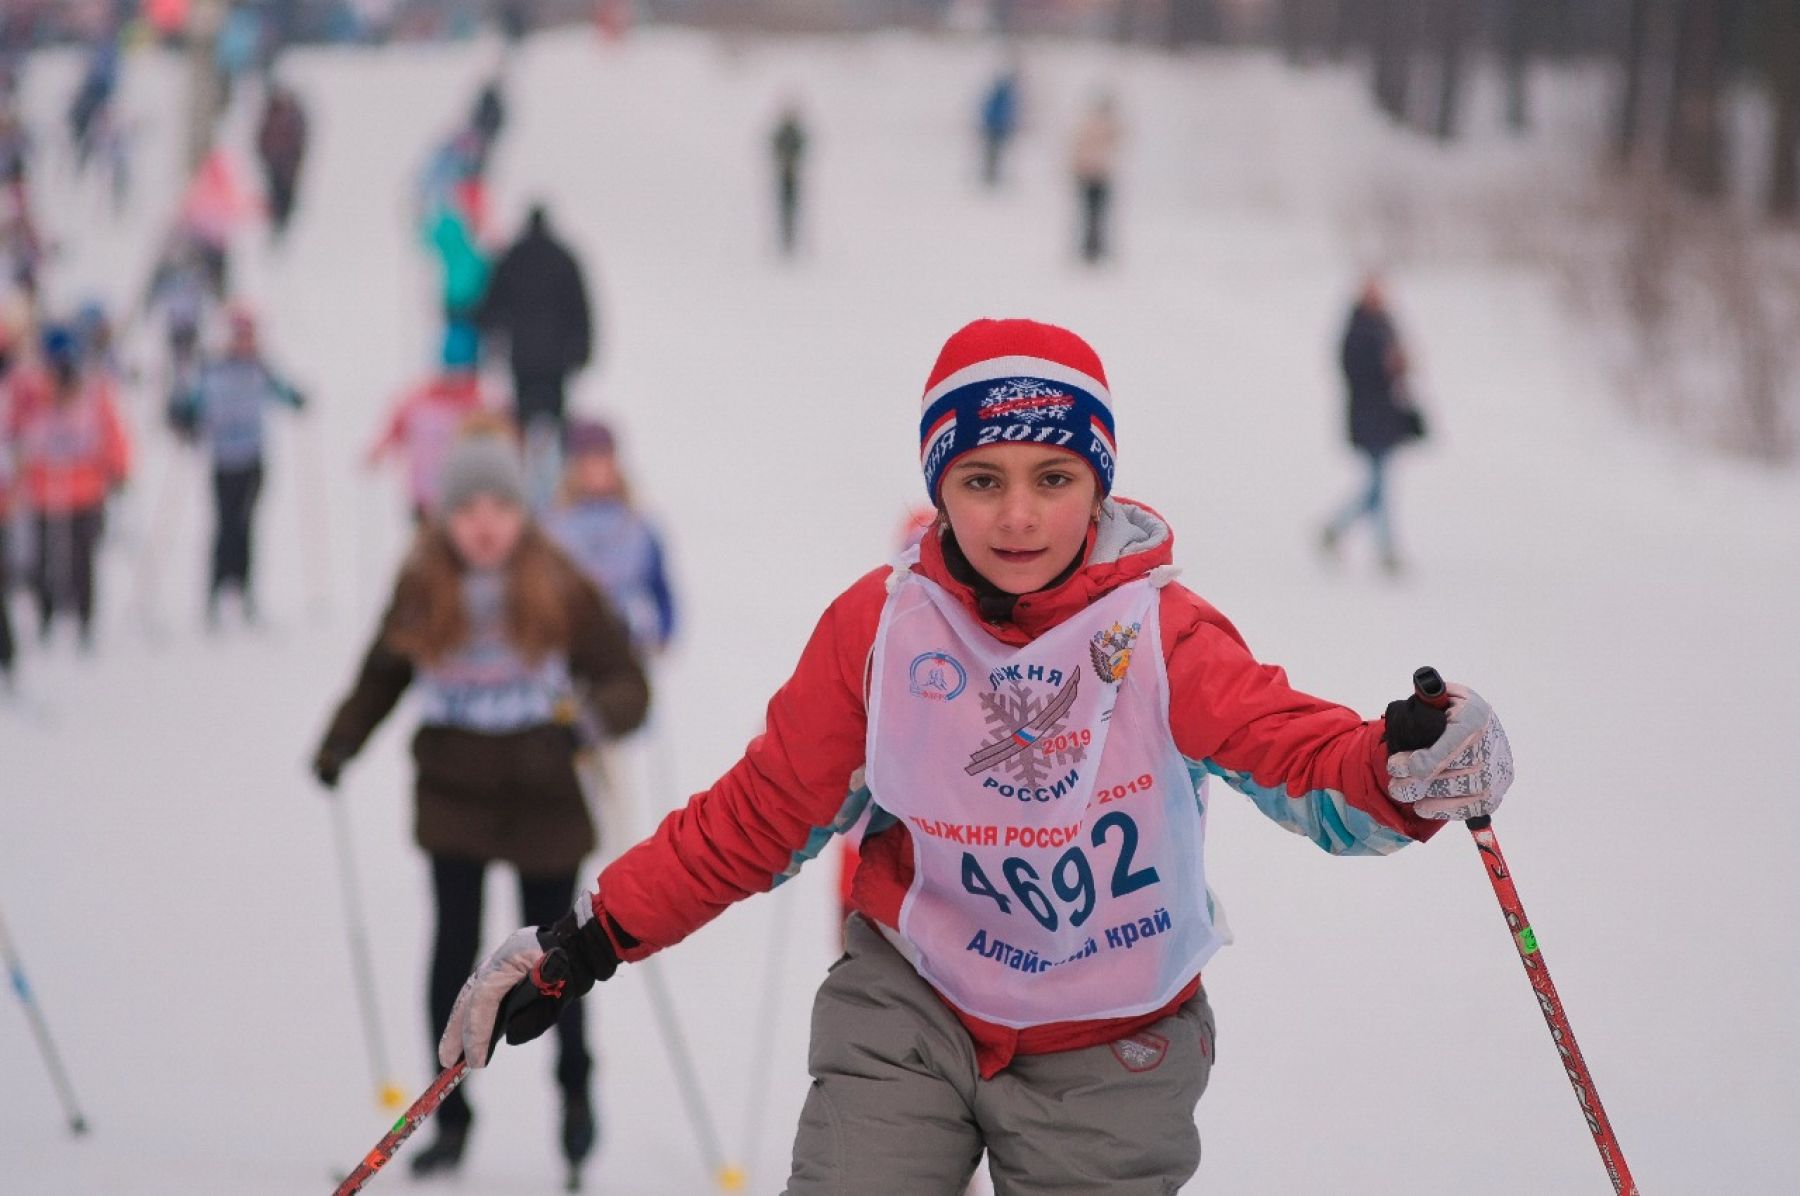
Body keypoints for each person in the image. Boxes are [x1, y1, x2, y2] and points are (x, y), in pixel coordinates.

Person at [434, 319, 1516, 1193]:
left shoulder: (1159, 634)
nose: (1019, 514)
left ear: (1099, 483)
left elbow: (1292, 749)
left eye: (1054, 477)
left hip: (1114, 1037)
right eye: (983, 479)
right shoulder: (884, 630)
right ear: (940, 485)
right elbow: (760, 813)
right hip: (916, 1001)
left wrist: (1398, 767)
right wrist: (589, 936)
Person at [311, 429, 649, 1185]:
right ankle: (450, 1117)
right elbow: (381, 676)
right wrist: (340, 743)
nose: (485, 523)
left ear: (523, 512)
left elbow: (626, 679)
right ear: (444, 517)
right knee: (454, 952)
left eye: (501, 506)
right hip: (454, 791)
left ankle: (575, 1100)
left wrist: (588, 724)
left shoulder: (557, 580)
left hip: (543, 791)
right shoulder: (422, 584)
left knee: (559, 959)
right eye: (468, 509)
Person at [167, 305, 304, 625]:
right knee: (224, 525)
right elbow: (190, 403)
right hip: (223, 461)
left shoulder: (261, 369)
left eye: (249, 335)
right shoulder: (213, 371)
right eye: (239, 335)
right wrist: (183, 414)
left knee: (246, 526)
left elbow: (286, 394)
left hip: (252, 460)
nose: (244, 341)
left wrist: (298, 399)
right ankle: (215, 591)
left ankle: (244, 592)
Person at [9, 324, 130, 647]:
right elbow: (15, 433)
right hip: (44, 490)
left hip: (85, 490)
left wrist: (119, 467)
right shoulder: (31, 391)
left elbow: (111, 430)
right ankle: (45, 615)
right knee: (42, 559)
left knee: (81, 558)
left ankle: (84, 619)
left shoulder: (92, 390)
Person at [1320, 275, 1425, 576]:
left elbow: (1401, 369)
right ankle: (1380, 548)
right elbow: (1354, 372)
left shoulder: (1386, 325)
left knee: (1378, 488)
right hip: (1367, 419)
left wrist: (1401, 365)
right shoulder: (1357, 329)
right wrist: (1385, 367)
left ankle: (1337, 531)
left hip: (1388, 418)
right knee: (1379, 488)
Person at [542, 418, 675, 654]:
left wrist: (663, 632)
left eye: (602, 458)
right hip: (571, 644)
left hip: (627, 643)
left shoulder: (638, 526)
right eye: (588, 459)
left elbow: (660, 588)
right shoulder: (553, 526)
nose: (596, 469)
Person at [477, 204, 593, 438]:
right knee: (557, 418)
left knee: (522, 417)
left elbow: (492, 305)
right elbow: (580, 309)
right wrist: (582, 349)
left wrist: (490, 334)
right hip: (557, 358)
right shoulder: (563, 258)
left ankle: (522, 455)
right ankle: (557, 456)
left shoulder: (513, 257)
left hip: (523, 355)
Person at [365, 364, 497, 520]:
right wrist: (378, 451)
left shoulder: (476, 401)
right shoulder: (417, 400)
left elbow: (494, 436)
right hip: (423, 492)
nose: (454, 378)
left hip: (460, 494)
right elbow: (396, 428)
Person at [1071, 93, 1120, 264]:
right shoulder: (1107, 125)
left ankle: (1091, 247)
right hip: (1099, 174)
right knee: (1097, 213)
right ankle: (1094, 247)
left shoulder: (1086, 124)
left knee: (1090, 213)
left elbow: (1076, 147)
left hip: (1088, 173)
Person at [255, 82, 309, 239]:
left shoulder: (293, 116)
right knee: (276, 193)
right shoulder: (272, 113)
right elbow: (263, 135)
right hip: (275, 163)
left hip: (286, 165)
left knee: (285, 193)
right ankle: (276, 223)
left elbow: (300, 139)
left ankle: (282, 222)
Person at [771, 103, 806, 256]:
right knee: (783, 209)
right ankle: (785, 240)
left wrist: (792, 161)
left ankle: (791, 240)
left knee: (793, 209)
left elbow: (802, 147)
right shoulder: (784, 133)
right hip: (783, 176)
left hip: (793, 176)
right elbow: (774, 147)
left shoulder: (793, 133)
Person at [979, 66, 1019, 188]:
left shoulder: (1002, 95)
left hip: (998, 128)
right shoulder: (1001, 95)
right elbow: (995, 111)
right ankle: (990, 176)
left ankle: (992, 175)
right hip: (994, 128)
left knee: (995, 153)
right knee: (992, 153)